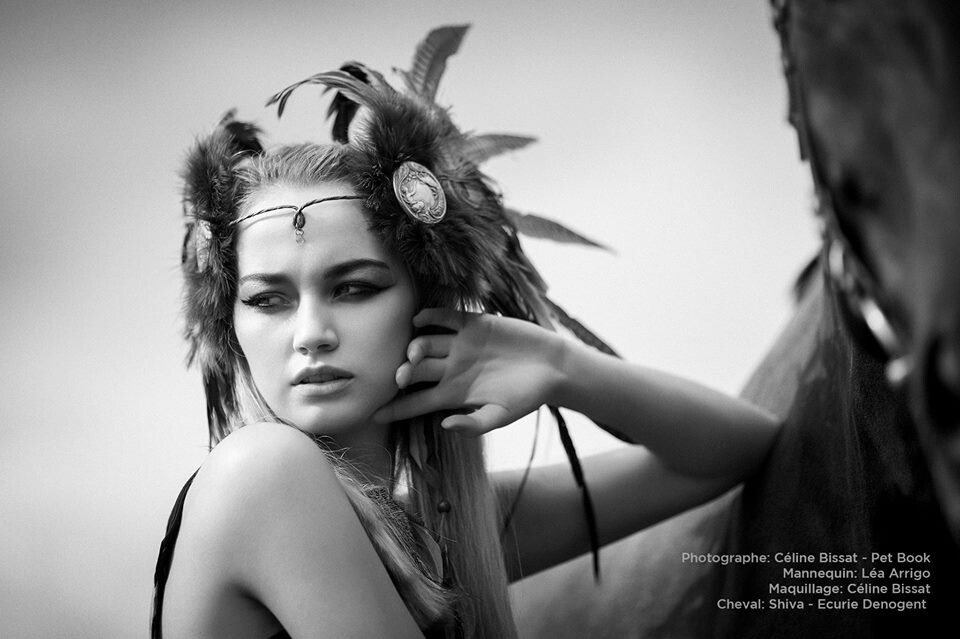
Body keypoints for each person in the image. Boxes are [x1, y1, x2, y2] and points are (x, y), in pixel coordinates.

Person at [152, 25, 780, 639]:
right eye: (267, 300)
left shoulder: (441, 532)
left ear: (426, 304)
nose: (311, 333)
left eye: (354, 288)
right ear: (230, 325)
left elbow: (741, 449)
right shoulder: (262, 474)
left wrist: (562, 366)